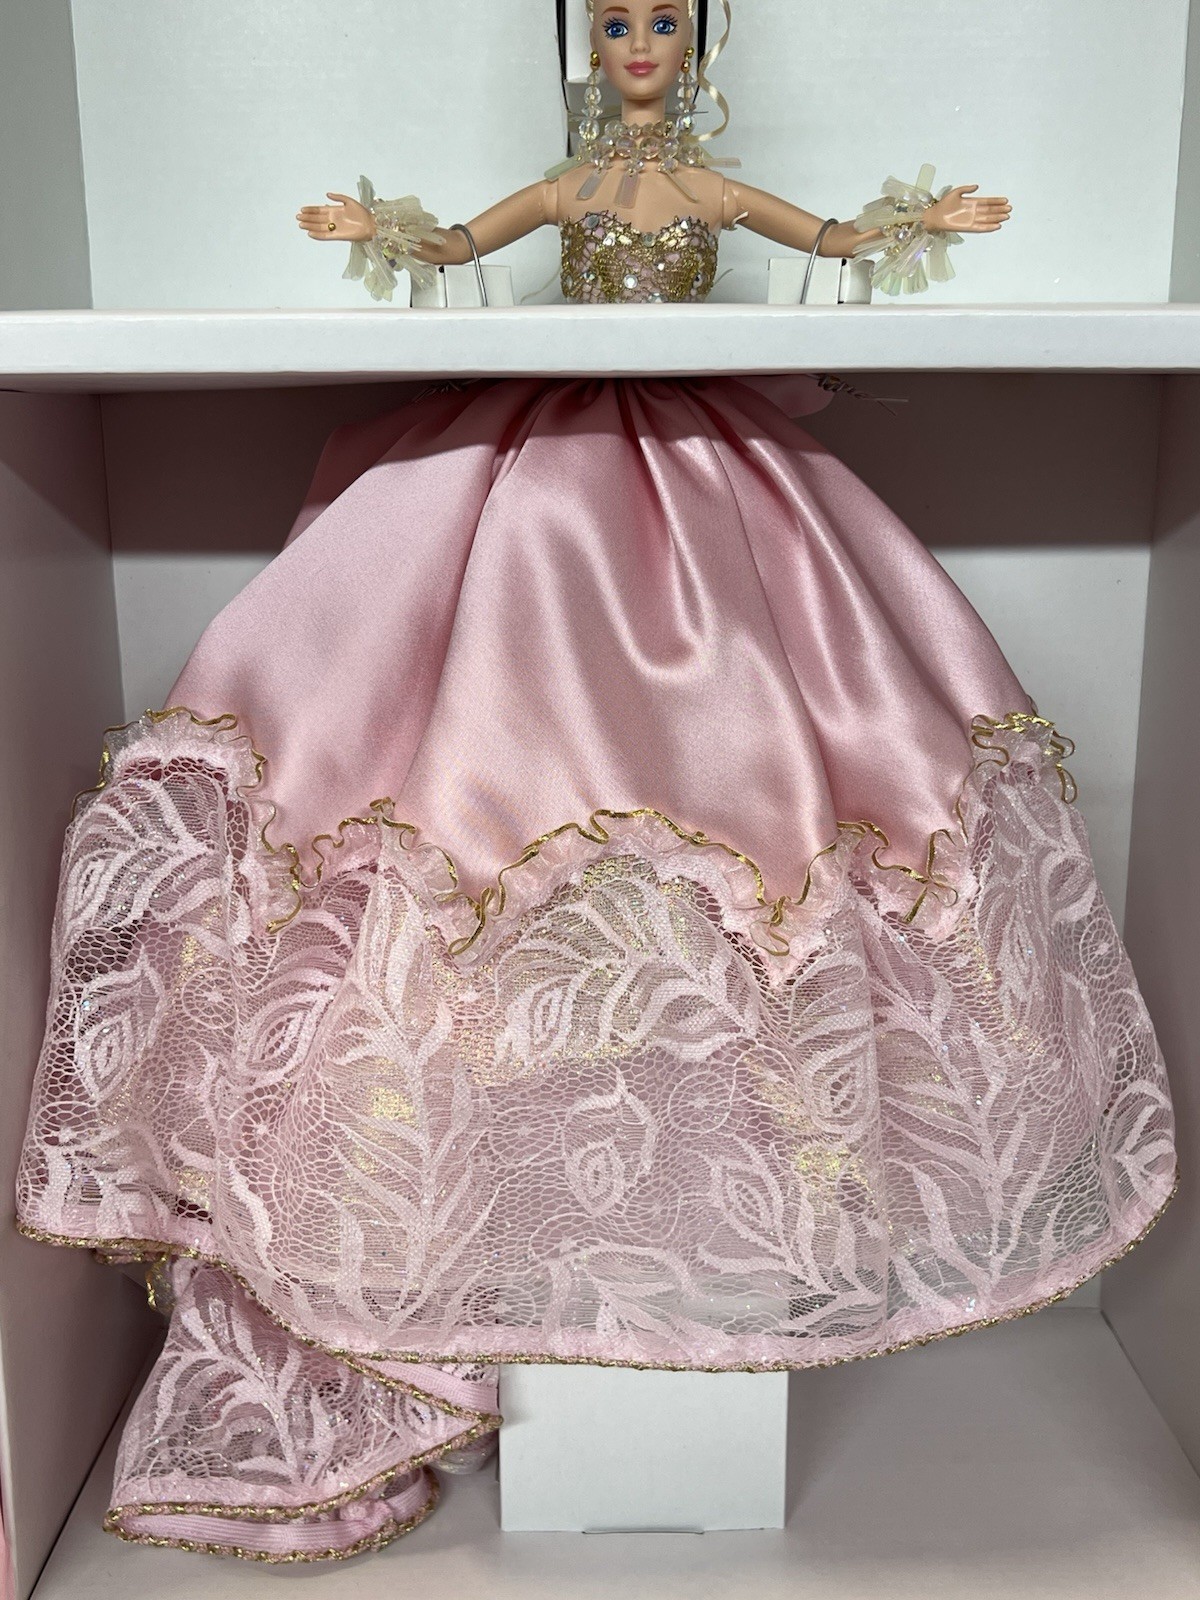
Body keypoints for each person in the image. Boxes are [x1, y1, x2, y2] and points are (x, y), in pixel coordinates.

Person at [16, 0, 1175, 1565]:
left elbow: (821, 235)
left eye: (663, 22)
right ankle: (459, 1226)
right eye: (617, 20)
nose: (640, 44)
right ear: (587, 43)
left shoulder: (700, 184)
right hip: (536, 473)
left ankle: (699, 1209)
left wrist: (913, 225)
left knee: (751, 810)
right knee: (453, 797)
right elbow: (469, 242)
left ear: (699, 47)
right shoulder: (577, 187)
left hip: (707, 474)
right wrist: (387, 234)